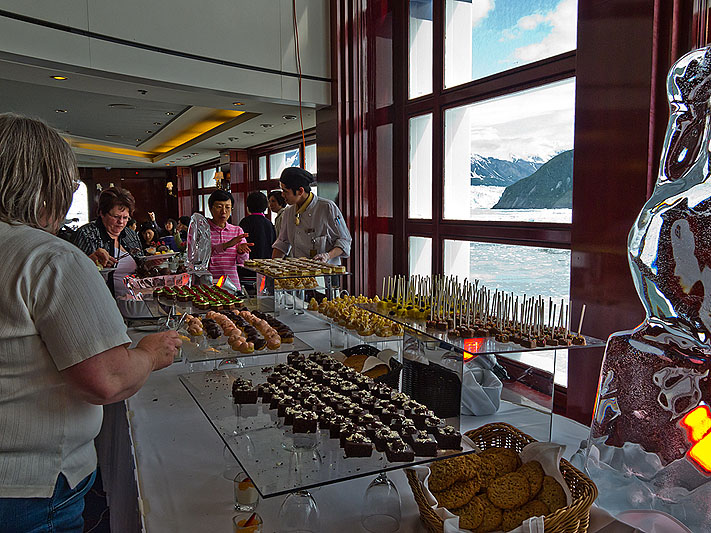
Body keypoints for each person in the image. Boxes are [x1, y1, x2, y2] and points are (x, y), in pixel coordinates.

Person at [0, 113, 181, 532]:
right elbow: (107, 379)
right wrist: (149, 353)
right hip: (32, 486)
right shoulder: (49, 257)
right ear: (48, 188)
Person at [72, 186, 142, 297]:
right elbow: (74, 272)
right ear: (102, 213)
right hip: (100, 299)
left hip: (133, 302)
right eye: (116, 216)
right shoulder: (87, 234)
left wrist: (149, 264)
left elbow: (140, 263)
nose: (121, 222)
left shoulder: (130, 235)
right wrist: (92, 262)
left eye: (125, 218)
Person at [272, 168, 352, 264]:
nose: (282, 195)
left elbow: (345, 241)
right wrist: (271, 268)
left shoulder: (327, 207)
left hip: (325, 271)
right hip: (299, 271)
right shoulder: (289, 211)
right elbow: (282, 243)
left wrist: (327, 255)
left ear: (300, 191)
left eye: (285, 191)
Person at [206, 189, 252, 289]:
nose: (224, 211)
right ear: (210, 208)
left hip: (232, 284)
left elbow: (243, 262)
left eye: (228, 207)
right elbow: (198, 257)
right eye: (219, 207)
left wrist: (242, 252)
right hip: (208, 284)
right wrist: (226, 245)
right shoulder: (203, 231)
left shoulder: (237, 231)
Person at [239, 192, 276, 259]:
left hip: (250, 261)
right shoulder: (269, 223)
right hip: (267, 261)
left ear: (248, 206)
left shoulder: (245, 222)